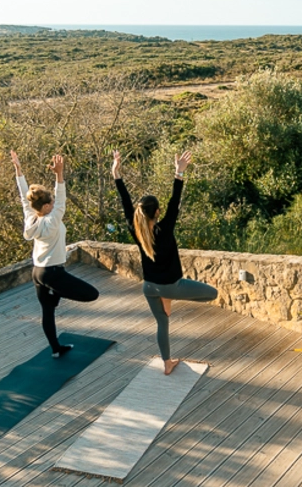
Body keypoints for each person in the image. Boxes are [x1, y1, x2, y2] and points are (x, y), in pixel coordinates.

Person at [112, 149, 218, 375]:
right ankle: (169, 296)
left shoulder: (136, 230)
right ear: (157, 212)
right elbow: (175, 200)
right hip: (172, 285)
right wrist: (178, 173)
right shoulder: (165, 228)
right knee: (212, 294)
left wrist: (116, 174)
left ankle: (167, 362)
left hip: (149, 287)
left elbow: (125, 202)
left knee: (163, 324)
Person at [11, 150, 99, 358]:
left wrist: (18, 171)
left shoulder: (31, 218)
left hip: (37, 272)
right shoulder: (52, 220)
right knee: (91, 294)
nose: (54, 204)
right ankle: (56, 293)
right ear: (47, 206)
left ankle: (55, 349)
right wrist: (59, 175)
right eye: (51, 203)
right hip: (52, 274)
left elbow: (25, 198)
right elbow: (61, 199)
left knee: (48, 311)